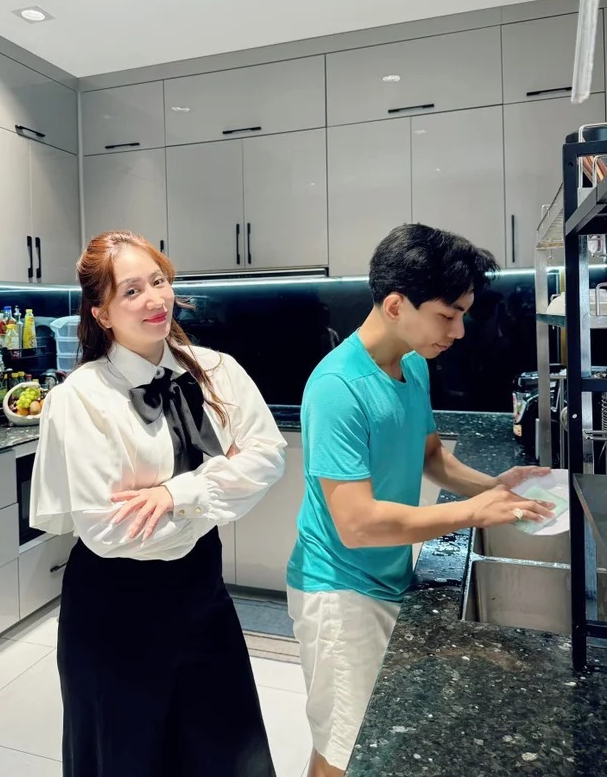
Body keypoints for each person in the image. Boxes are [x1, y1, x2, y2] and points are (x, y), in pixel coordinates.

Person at [286, 223, 554, 777]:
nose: (458, 331)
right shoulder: (337, 388)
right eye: (447, 315)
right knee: (343, 751)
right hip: (339, 591)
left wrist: (497, 487)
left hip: (386, 576)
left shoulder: (410, 362)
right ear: (395, 305)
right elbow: (357, 524)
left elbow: (431, 457)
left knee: (360, 736)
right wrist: (471, 512)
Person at [30, 230, 286, 777]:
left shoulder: (217, 370)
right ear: (101, 313)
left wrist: (176, 494)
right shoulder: (79, 399)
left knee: (227, 753)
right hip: (113, 610)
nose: (155, 299)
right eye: (131, 291)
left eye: (159, 281)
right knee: (125, 758)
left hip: (203, 591)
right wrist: (222, 482)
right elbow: (111, 531)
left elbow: (268, 458)